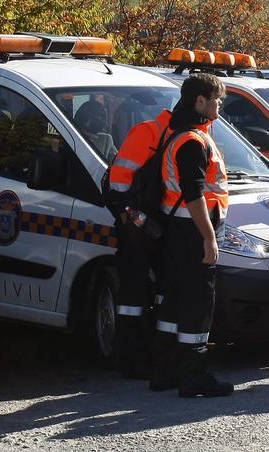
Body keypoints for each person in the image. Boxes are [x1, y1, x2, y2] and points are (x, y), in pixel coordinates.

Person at [152, 72, 233, 397]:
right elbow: (193, 192)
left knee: (174, 302)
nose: (220, 105)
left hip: (178, 232)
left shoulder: (181, 134)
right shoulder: (192, 141)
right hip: (192, 232)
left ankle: (166, 371)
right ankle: (193, 374)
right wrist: (209, 237)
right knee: (198, 303)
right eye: (218, 99)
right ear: (200, 100)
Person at [105, 106, 178, 379]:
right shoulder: (149, 131)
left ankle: (152, 355)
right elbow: (119, 180)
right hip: (138, 223)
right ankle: (132, 358)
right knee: (133, 293)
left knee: (157, 291)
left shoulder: (181, 134)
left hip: (159, 223)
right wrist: (131, 215)